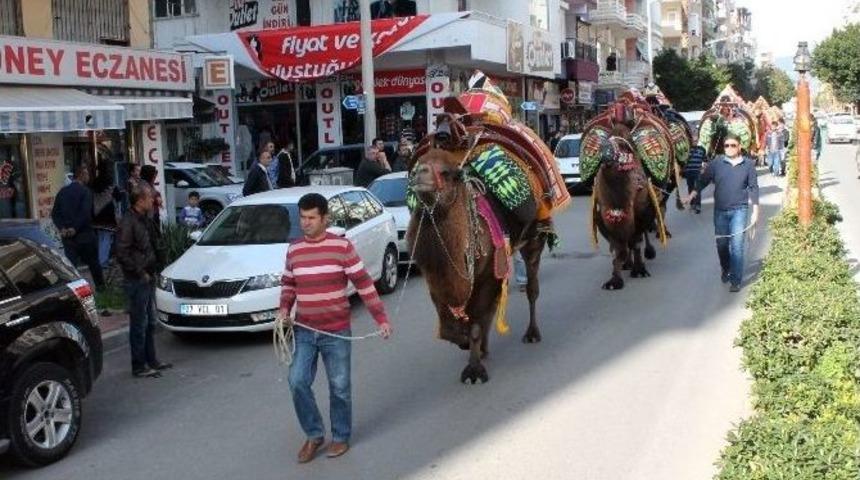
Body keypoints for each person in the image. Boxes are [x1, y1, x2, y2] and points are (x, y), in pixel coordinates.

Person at [278, 193, 392, 463]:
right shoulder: (294, 250)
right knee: (297, 381)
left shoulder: (342, 247)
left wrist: (381, 318)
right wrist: (284, 308)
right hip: (304, 330)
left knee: (339, 387)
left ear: (325, 218)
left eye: (311, 218)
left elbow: (364, 283)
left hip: (336, 331)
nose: (305, 223)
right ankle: (314, 434)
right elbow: (288, 284)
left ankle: (340, 437)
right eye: (302, 217)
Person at [684, 133, 759, 293]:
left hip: (740, 209)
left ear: (739, 147)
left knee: (737, 246)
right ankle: (726, 268)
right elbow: (702, 180)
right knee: (722, 245)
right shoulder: (716, 163)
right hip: (720, 211)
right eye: (727, 146)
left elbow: (753, 188)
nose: (730, 148)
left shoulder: (748, 165)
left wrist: (756, 210)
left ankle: (735, 280)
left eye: (733, 145)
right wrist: (692, 195)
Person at [116, 184, 172, 378]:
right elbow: (122, 252)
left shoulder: (144, 219)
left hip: (148, 275)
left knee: (149, 322)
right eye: (149, 197)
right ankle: (139, 365)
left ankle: (151, 360)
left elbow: (152, 244)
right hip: (137, 279)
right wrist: (140, 273)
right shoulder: (128, 221)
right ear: (140, 200)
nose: (152, 200)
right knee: (139, 323)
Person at [51, 164, 105, 289]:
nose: (88, 177)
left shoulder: (62, 192)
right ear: (82, 175)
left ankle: (74, 292)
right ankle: (101, 290)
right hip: (85, 236)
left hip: (68, 238)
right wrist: (74, 228)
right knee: (94, 264)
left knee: (72, 268)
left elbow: (55, 213)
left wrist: (62, 228)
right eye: (87, 174)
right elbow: (85, 213)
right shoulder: (86, 192)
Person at [91, 159, 122, 269]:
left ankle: (101, 259)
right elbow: (118, 197)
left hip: (96, 214)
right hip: (107, 214)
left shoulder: (94, 182)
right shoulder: (110, 181)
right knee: (106, 239)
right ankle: (102, 261)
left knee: (100, 238)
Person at [684, 146, 706, 214]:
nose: (694, 138)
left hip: (697, 172)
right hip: (688, 172)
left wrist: (704, 168)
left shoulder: (702, 149)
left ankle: (698, 206)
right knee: (690, 188)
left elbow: (705, 160)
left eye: (696, 135)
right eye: (693, 135)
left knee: (697, 188)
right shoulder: (686, 148)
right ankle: (692, 204)